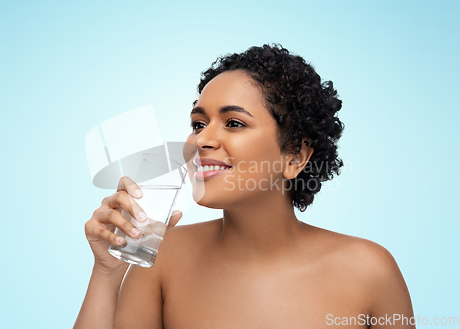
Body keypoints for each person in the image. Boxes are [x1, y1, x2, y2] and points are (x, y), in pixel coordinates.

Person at [74, 44, 415, 329]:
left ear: (295, 156)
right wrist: (107, 271)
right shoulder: (162, 259)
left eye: (234, 123)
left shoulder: (370, 272)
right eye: (198, 123)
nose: (201, 139)